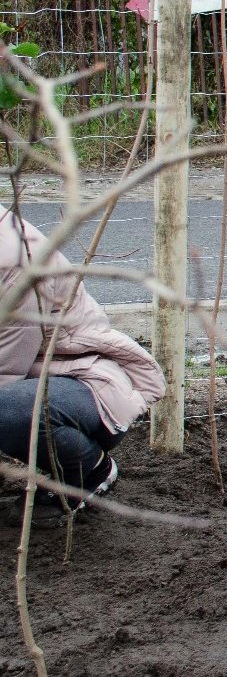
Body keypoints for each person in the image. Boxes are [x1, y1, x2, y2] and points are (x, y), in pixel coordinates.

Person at [0, 212, 165, 521]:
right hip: (38, 380)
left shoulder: (15, 262)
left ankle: (89, 471)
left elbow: (6, 369)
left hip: (83, 384)